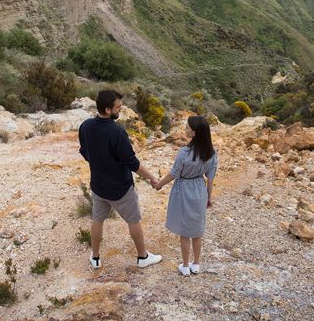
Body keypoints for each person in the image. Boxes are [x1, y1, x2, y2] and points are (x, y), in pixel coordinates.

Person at [78, 89, 162, 271]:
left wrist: (100, 163)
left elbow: (84, 152)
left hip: (98, 186)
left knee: (97, 220)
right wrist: (152, 178)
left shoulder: (85, 126)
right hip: (120, 188)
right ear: (108, 109)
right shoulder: (117, 132)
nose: (120, 109)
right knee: (134, 221)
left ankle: (95, 257)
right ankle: (143, 257)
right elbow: (132, 163)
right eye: (118, 107)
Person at [154, 115, 218, 276]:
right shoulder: (211, 153)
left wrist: (159, 184)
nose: (185, 129)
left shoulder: (184, 152)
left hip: (184, 189)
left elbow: (173, 174)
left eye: (188, 127)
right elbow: (210, 179)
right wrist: (208, 198)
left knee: (185, 231)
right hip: (200, 190)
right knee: (197, 230)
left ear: (195, 133)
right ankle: (196, 264)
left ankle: (185, 266)